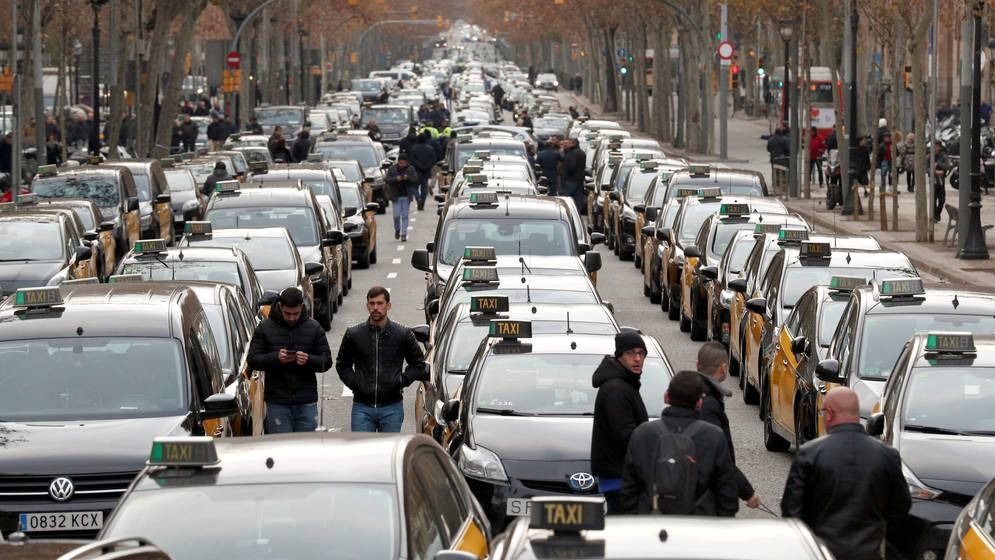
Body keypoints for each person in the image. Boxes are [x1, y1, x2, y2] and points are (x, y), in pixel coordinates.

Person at [781, 387, 910, 560]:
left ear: (829, 414)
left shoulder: (809, 454)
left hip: (821, 553)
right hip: (868, 554)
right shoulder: (887, 455)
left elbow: (791, 512)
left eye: (823, 412)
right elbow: (901, 507)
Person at [621, 370, 738, 516]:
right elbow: (727, 493)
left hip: (652, 523)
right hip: (700, 523)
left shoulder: (642, 434)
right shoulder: (714, 437)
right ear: (699, 402)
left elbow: (628, 490)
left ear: (666, 397)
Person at [336, 286, 428, 433]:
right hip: (362, 407)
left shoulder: (403, 334)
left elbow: (418, 364)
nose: (375, 308)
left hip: (392, 407)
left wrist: (401, 381)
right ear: (367, 306)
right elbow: (342, 365)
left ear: (388, 305)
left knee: (389, 447)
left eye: (380, 303)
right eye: (372, 303)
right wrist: (356, 383)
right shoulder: (354, 334)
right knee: (361, 446)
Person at [247, 287, 332, 433]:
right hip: (277, 402)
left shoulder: (314, 327)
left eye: (296, 314)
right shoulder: (265, 328)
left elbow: (327, 361)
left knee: (306, 444)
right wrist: (276, 358)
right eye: (287, 313)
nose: (292, 318)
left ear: (302, 307)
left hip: (306, 401)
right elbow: (252, 359)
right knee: (281, 445)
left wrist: (308, 360)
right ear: (280, 307)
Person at [695, 342, 761, 509]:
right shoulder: (709, 403)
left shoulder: (693, 393)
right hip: (707, 497)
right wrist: (747, 492)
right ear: (724, 368)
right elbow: (720, 457)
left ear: (697, 365)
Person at [591, 332, 650, 514]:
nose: (637, 358)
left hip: (624, 478)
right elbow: (626, 436)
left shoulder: (626, 383)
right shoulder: (616, 389)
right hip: (621, 480)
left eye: (641, 353)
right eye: (631, 353)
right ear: (619, 356)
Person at [385, 153, 419, 241]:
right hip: (396, 196)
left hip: (406, 196)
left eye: (403, 163)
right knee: (396, 216)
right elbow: (387, 179)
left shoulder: (411, 169)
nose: (402, 165)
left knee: (405, 215)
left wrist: (407, 178)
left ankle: (404, 234)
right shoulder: (392, 169)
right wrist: (396, 179)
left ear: (406, 162)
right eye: (400, 163)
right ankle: (397, 229)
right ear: (398, 161)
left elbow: (415, 179)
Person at [408, 133, 437, 211]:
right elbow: (434, 159)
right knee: (424, 188)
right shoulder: (430, 148)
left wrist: (419, 165)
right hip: (426, 171)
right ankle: (422, 202)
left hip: (416, 170)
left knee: (413, 186)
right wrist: (427, 166)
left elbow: (412, 160)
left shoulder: (414, 148)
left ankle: (418, 198)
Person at [561, 137, 587, 213]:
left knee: (567, 199)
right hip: (579, 180)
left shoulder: (572, 153)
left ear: (574, 144)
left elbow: (571, 166)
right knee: (578, 200)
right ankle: (577, 213)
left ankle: (568, 213)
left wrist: (565, 175)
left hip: (571, 180)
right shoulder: (581, 152)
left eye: (569, 143)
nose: (567, 144)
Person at [932, 141, 949, 222]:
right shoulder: (930, 156)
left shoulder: (943, 156)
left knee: (942, 200)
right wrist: (933, 171)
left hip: (941, 181)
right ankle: (935, 216)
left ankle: (937, 213)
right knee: (933, 199)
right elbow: (926, 167)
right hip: (933, 180)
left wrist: (938, 164)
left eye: (936, 146)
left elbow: (947, 166)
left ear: (939, 147)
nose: (934, 148)